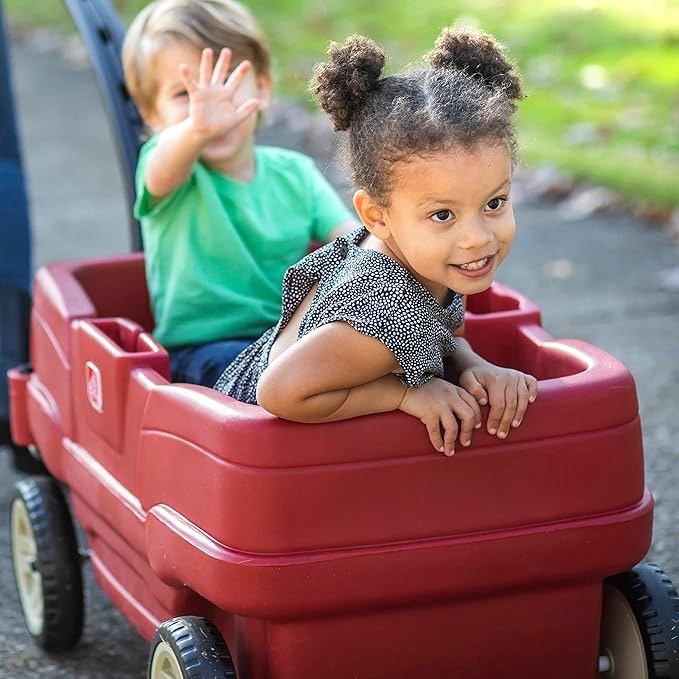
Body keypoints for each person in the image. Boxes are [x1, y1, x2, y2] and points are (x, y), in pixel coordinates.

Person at [214, 26, 539, 456]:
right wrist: (405, 396)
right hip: (239, 449)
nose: (477, 238)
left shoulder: (431, 261)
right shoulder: (382, 311)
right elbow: (279, 390)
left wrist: (473, 367)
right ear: (376, 216)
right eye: (443, 215)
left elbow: (445, 332)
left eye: (494, 203)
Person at [121, 0, 356, 387]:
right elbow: (162, 169)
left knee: (358, 356)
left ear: (262, 89)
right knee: (289, 381)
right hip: (204, 350)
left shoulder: (294, 174)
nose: (211, 107)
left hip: (291, 338)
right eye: (186, 94)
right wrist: (195, 130)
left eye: (227, 83)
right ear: (153, 116)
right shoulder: (168, 170)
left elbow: (352, 241)